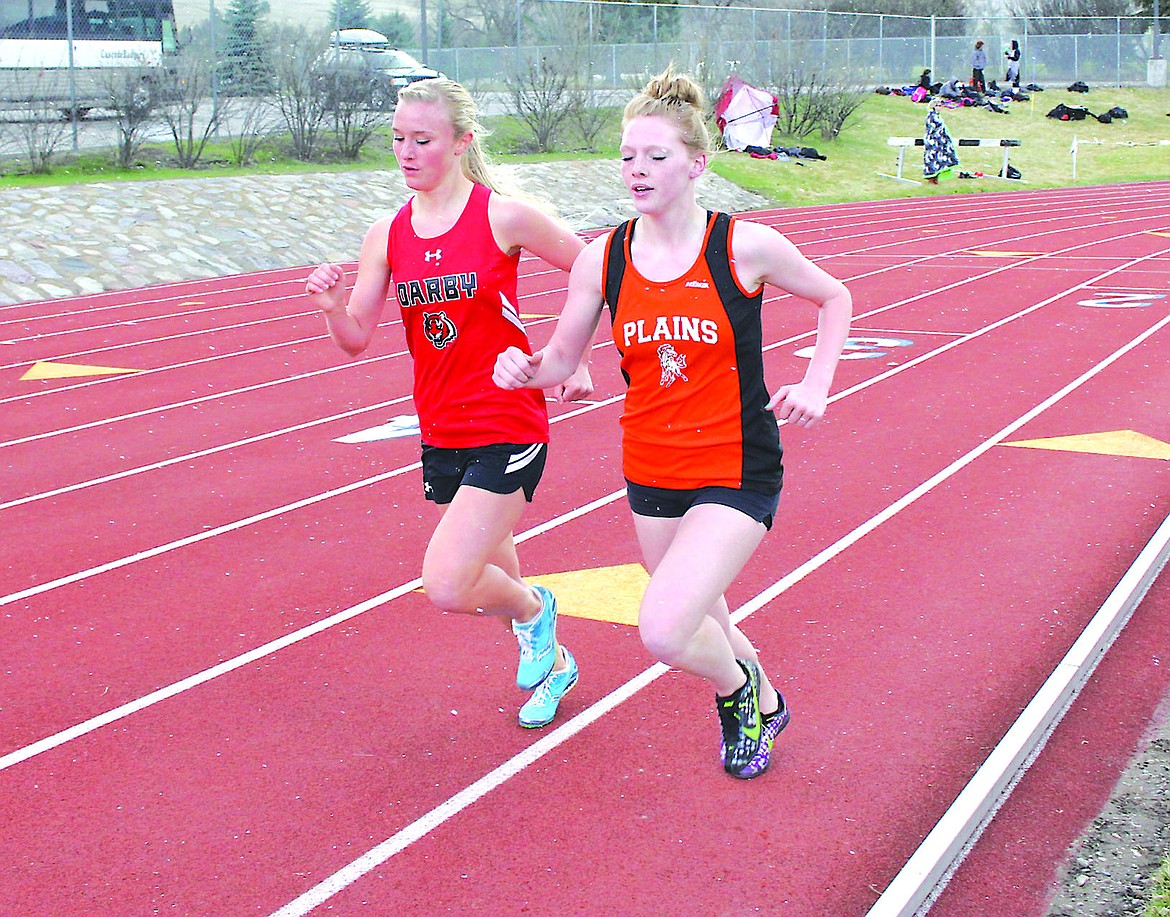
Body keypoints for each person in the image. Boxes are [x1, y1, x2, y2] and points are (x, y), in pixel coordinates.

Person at [494, 67, 852, 779]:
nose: (637, 170)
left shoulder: (743, 247)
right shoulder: (605, 258)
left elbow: (834, 296)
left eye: (656, 157)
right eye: (628, 156)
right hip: (652, 470)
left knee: (664, 629)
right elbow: (564, 355)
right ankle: (768, 696)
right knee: (708, 617)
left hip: (737, 467)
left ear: (697, 163)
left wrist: (816, 382)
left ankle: (738, 691)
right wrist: (525, 368)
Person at [304, 78, 593, 730]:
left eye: (422, 140)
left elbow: (595, 270)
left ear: (462, 142)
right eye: (398, 139)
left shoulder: (503, 216)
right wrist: (329, 307)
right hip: (441, 427)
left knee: (448, 580)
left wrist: (569, 357)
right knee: (491, 566)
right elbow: (355, 338)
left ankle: (536, 610)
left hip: (509, 420)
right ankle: (555, 663)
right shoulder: (388, 233)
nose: (406, 152)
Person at [923, 96, 960, 183]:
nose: (939, 107)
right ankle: (932, 178)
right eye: (937, 105)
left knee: (942, 159)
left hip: (941, 142)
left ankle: (936, 177)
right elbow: (932, 129)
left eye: (940, 105)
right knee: (932, 160)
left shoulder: (937, 116)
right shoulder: (931, 116)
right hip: (933, 142)